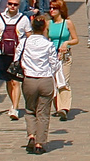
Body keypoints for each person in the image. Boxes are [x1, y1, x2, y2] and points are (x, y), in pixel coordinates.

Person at [17, 15, 62, 153]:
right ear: (44, 28)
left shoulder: (24, 43)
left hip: (29, 79)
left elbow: (17, 58)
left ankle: (31, 135)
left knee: (30, 110)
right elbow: (54, 64)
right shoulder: (48, 44)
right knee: (43, 113)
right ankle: (40, 143)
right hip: (45, 79)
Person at [0, 0, 30, 120]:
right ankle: (12, 103)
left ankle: (15, 108)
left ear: (19, 6)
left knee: (16, 82)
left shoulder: (23, 19)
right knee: (8, 81)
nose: (12, 6)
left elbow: (29, 35)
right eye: (10, 4)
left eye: (15, 5)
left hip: (18, 55)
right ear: (7, 5)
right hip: (3, 53)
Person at [46, 0, 79, 119]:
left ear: (60, 10)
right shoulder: (48, 24)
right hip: (52, 56)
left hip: (65, 55)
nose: (52, 10)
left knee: (64, 80)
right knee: (54, 81)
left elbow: (76, 39)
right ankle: (58, 107)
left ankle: (64, 107)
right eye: (50, 8)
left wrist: (67, 43)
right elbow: (45, 39)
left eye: (54, 8)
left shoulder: (67, 23)